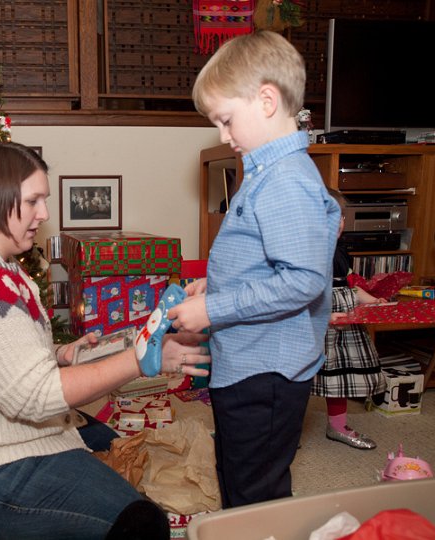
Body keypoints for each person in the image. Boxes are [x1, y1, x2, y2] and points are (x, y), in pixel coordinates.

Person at [0, 141, 208, 539]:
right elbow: (33, 397)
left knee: (113, 445)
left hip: (2, 432)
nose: (43, 214)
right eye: (33, 201)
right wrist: (140, 357)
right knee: (142, 525)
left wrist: (58, 355)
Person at [166, 31, 341, 508]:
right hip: (250, 362)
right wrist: (217, 285)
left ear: (266, 100)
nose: (223, 136)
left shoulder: (285, 180)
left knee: (255, 490)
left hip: (266, 372)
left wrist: (214, 307)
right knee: (240, 473)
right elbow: (265, 259)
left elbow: (302, 281)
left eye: (226, 121)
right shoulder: (266, 173)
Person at [311, 188, 386, 449]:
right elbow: (303, 292)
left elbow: (350, 287)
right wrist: (324, 314)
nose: (339, 222)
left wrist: (372, 300)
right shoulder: (310, 253)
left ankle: (338, 425)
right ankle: (287, 430)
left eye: (341, 216)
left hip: (345, 323)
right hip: (318, 323)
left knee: (338, 377)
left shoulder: (341, 251)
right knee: (301, 378)